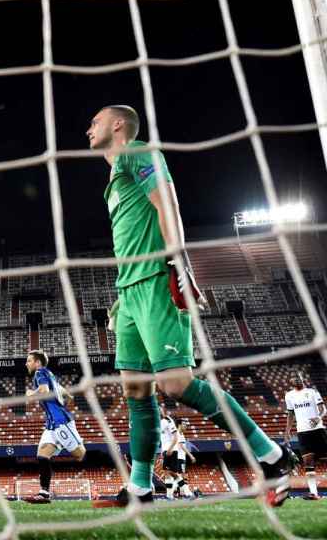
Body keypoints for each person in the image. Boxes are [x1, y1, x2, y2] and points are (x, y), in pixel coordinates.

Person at [87, 105, 291, 507]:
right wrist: (124, 295)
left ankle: (272, 456)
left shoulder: (139, 152)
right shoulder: (116, 175)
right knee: (135, 388)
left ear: (118, 125)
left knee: (175, 383)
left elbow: (168, 204)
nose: (87, 129)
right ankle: (141, 489)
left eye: (95, 122)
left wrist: (178, 261)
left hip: (156, 282)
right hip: (128, 291)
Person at [22, 350, 87, 504]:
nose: (26, 363)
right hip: (51, 424)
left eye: (29, 360)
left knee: (80, 455)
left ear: (37, 363)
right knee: (42, 456)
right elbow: (60, 390)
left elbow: (44, 391)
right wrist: (69, 396)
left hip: (60, 423)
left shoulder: (39, 373)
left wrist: (31, 393)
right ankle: (44, 494)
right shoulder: (49, 374)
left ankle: (79, 440)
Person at [285, 375, 327, 500]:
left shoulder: (312, 392)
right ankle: (314, 493)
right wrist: (287, 429)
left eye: (298, 377)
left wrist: (318, 418)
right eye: (293, 378)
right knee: (308, 463)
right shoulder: (289, 396)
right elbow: (290, 414)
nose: (296, 380)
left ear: (302, 379)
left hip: (317, 430)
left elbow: (323, 409)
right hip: (302, 432)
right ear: (290, 382)